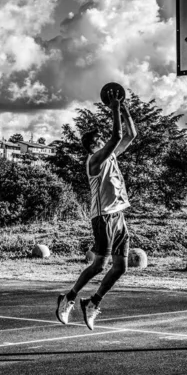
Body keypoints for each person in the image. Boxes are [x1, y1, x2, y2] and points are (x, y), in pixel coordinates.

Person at [56, 87, 137, 329]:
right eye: (100, 140)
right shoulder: (94, 160)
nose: (106, 141)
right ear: (95, 145)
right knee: (100, 264)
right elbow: (116, 137)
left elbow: (130, 134)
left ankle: (92, 302)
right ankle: (68, 297)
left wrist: (124, 108)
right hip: (102, 217)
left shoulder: (110, 156)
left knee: (121, 266)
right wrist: (113, 111)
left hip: (118, 216)